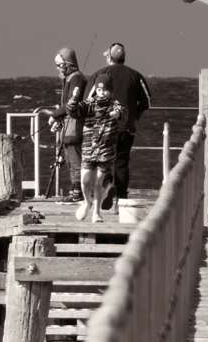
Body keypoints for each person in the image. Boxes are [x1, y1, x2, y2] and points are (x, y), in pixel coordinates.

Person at [84, 43, 152, 208]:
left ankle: (107, 186)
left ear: (109, 58)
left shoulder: (100, 74)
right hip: (126, 127)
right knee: (122, 162)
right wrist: (133, 116)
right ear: (123, 58)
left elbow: (87, 100)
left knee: (104, 160)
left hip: (104, 128)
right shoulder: (136, 75)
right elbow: (147, 101)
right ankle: (121, 198)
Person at [75, 76, 124, 224]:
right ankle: (86, 201)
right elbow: (74, 111)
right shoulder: (90, 103)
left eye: (105, 90)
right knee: (84, 180)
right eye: (99, 89)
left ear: (110, 90)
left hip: (105, 150)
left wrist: (118, 114)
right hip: (89, 148)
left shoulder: (115, 104)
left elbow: (123, 112)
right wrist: (74, 98)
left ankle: (96, 213)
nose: (101, 93)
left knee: (98, 182)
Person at [47, 47, 86, 199]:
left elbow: (71, 103)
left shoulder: (76, 78)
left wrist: (54, 115)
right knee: (69, 160)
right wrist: (60, 120)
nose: (58, 68)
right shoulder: (68, 78)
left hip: (75, 126)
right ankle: (74, 189)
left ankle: (78, 191)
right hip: (67, 125)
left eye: (59, 64)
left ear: (67, 63)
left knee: (75, 160)